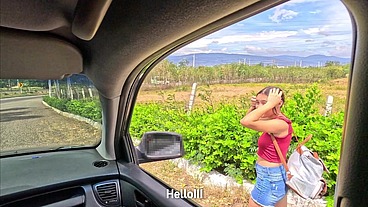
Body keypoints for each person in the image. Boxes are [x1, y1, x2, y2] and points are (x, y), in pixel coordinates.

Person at [240, 86, 293, 207]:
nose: (260, 107)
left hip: (269, 177)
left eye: (264, 103)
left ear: (279, 103)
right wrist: (254, 106)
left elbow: (245, 122)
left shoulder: (280, 124)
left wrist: (269, 104)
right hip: (275, 176)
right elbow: (247, 120)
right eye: (258, 103)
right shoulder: (273, 119)